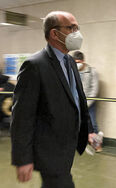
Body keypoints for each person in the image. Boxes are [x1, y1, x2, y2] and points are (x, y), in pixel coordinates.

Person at [11, 11, 95, 188]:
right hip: (49, 149)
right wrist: (23, 158)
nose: (76, 32)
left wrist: (88, 129)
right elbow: (22, 116)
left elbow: (78, 99)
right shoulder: (34, 65)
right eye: (70, 28)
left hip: (67, 145)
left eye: (77, 28)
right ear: (54, 33)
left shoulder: (71, 62)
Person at [72, 51, 102, 152]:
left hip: (89, 103)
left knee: (92, 124)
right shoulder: (72, 72)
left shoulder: (92, 71)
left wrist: (86, 104)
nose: (77, 64)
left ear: (83, 61)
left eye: (79, 62)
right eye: (75, 62)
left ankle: (96, 145)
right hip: (76, 103)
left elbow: (95, 89)